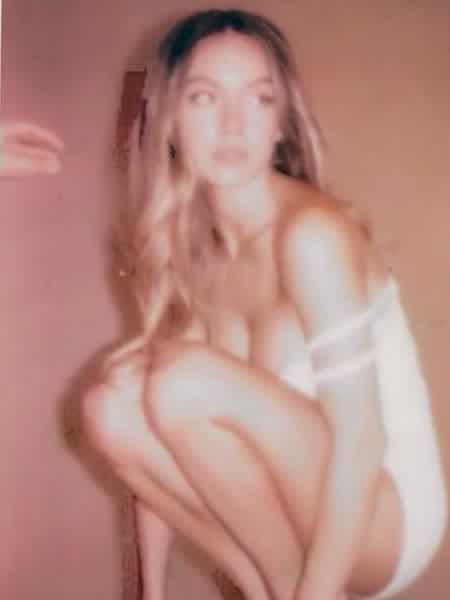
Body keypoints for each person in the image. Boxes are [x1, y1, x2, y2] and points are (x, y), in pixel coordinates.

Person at [81, 8, 447, 600]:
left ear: (281, 123)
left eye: (258, 99)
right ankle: (269, 589)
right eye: (205, 98)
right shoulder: (193, 248)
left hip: (383, 515)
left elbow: (361, 443)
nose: (233, 124)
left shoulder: (311, 237)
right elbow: (157, 441)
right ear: (169, 119)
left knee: (177, 381)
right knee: (112, 402)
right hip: (303, 511)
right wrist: (149, 590)